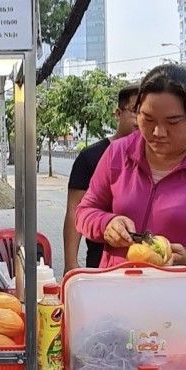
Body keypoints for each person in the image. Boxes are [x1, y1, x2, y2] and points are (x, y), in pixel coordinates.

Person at [75, 63, 186, 280]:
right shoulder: (118, 153)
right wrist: (106, 224)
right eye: (147, 119)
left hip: (181, 300)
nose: (158, 132)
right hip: (116, 292)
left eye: (173, 121)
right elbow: (84, 212)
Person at [63, 84, 139, 273]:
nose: (140, 120)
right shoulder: (89, 157)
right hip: (100, 263)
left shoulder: (157, 158)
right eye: (134, 112)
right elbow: (74, 211)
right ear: (118, 113)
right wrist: (70, 263)